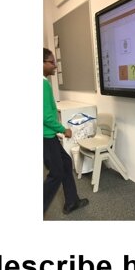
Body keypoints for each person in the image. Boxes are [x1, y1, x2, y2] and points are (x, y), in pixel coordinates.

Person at [43, 48, 89, 215]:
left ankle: (71, 202)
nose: (55, 66)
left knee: (66, 162)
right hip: (46, 137)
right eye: (51, 62)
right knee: (56, 174)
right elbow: (46, 116)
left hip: (48, 136)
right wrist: (64, 130)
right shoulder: (43, 84)